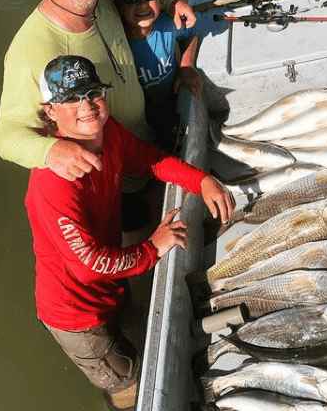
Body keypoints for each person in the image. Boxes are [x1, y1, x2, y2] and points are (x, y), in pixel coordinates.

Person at [26, 55, 234, 410]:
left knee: (133, 323)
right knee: (128, 383)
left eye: (93, 93)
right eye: (72, 98)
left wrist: (201, 180)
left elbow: (150, 160)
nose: (87, 106)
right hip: (76, 314)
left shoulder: (110, 132)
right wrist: (152, 247)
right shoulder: (53, 184)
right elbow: (88, 265)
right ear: (50, 111)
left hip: (110, 283)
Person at [0, 0, 196, 183]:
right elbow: (7, 134)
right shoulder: (30, 51)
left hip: (148, 142)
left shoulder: (100, 2)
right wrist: (49, 151)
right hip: (112, 175)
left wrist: (170, 1)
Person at [112, 0, 204, 151]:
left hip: (171, 98)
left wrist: (186, 66)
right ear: (118, 6)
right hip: (142, 116)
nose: (142, 4)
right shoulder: (116, 39)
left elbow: (190, 34)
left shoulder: (168, 24)